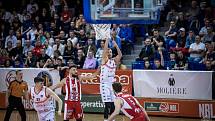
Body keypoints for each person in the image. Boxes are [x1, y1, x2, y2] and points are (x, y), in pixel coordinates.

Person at [100, 38, 122, 121]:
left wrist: (116, 46)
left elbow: (120, 55)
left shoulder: (114, 61)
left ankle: (112, 119)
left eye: (110, 52)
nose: (109, 53)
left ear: (112, 53)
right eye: (108, 52)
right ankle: (106, 119)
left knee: (113, 104)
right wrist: (107, 41)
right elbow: (105, 50)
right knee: (107, 104)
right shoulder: (104, 60)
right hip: (104, 84)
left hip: (111, 84)